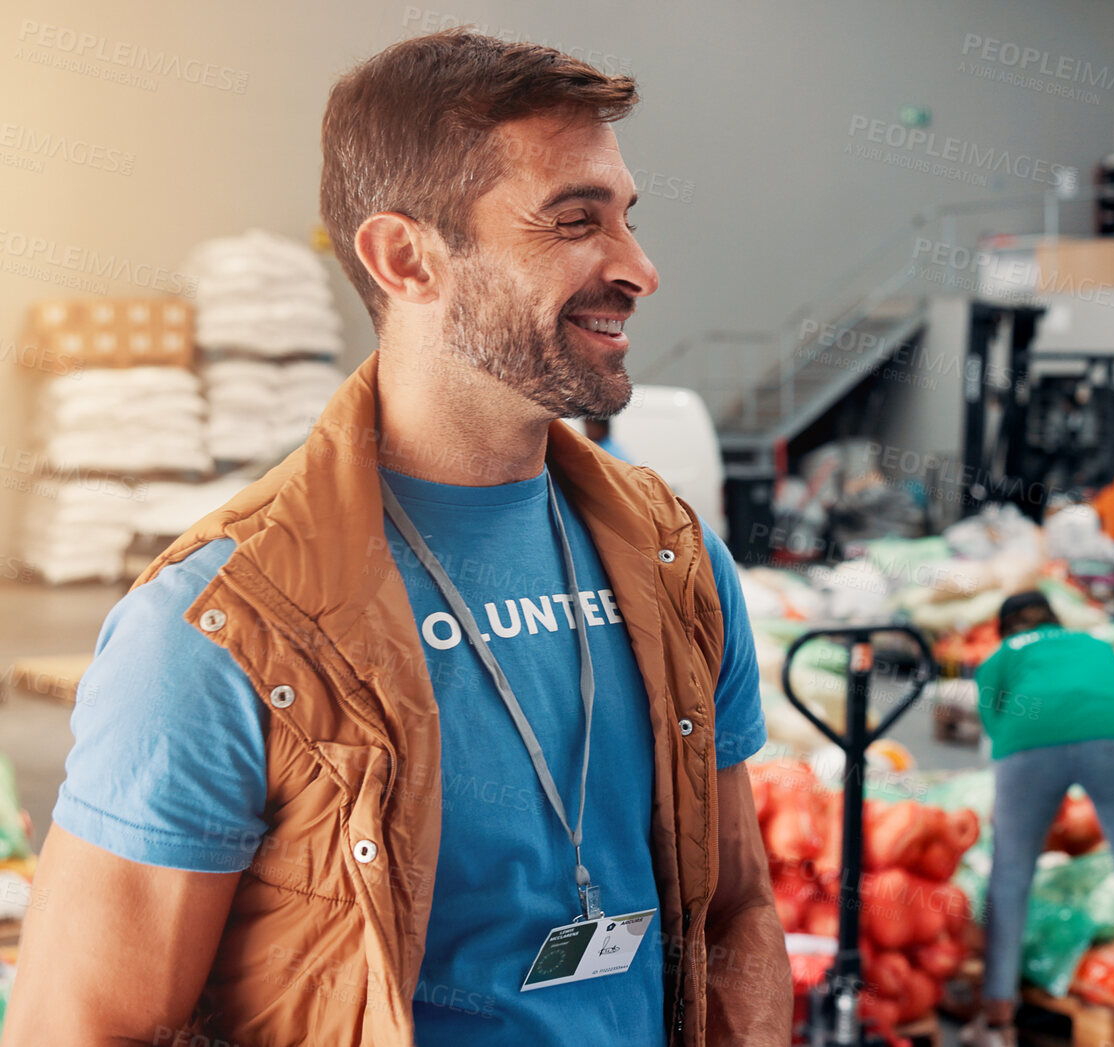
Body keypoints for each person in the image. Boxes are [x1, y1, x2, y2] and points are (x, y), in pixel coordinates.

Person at [5, 30, 788, 1047]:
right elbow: (84, 1028)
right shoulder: (219, 630)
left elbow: (733, 913)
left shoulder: (675, 558)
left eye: (627, 219)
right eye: (573, 221)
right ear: (405, 258)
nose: (637, 267)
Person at [973, 591, 1114, 1047]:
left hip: (1029, 742)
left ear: (1005, 630)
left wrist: (1029, 803)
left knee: (1010, 878)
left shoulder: (1000, 658)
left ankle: (997, 1018)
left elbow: (994, 744)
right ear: (1056, 620)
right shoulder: (1095, 646)